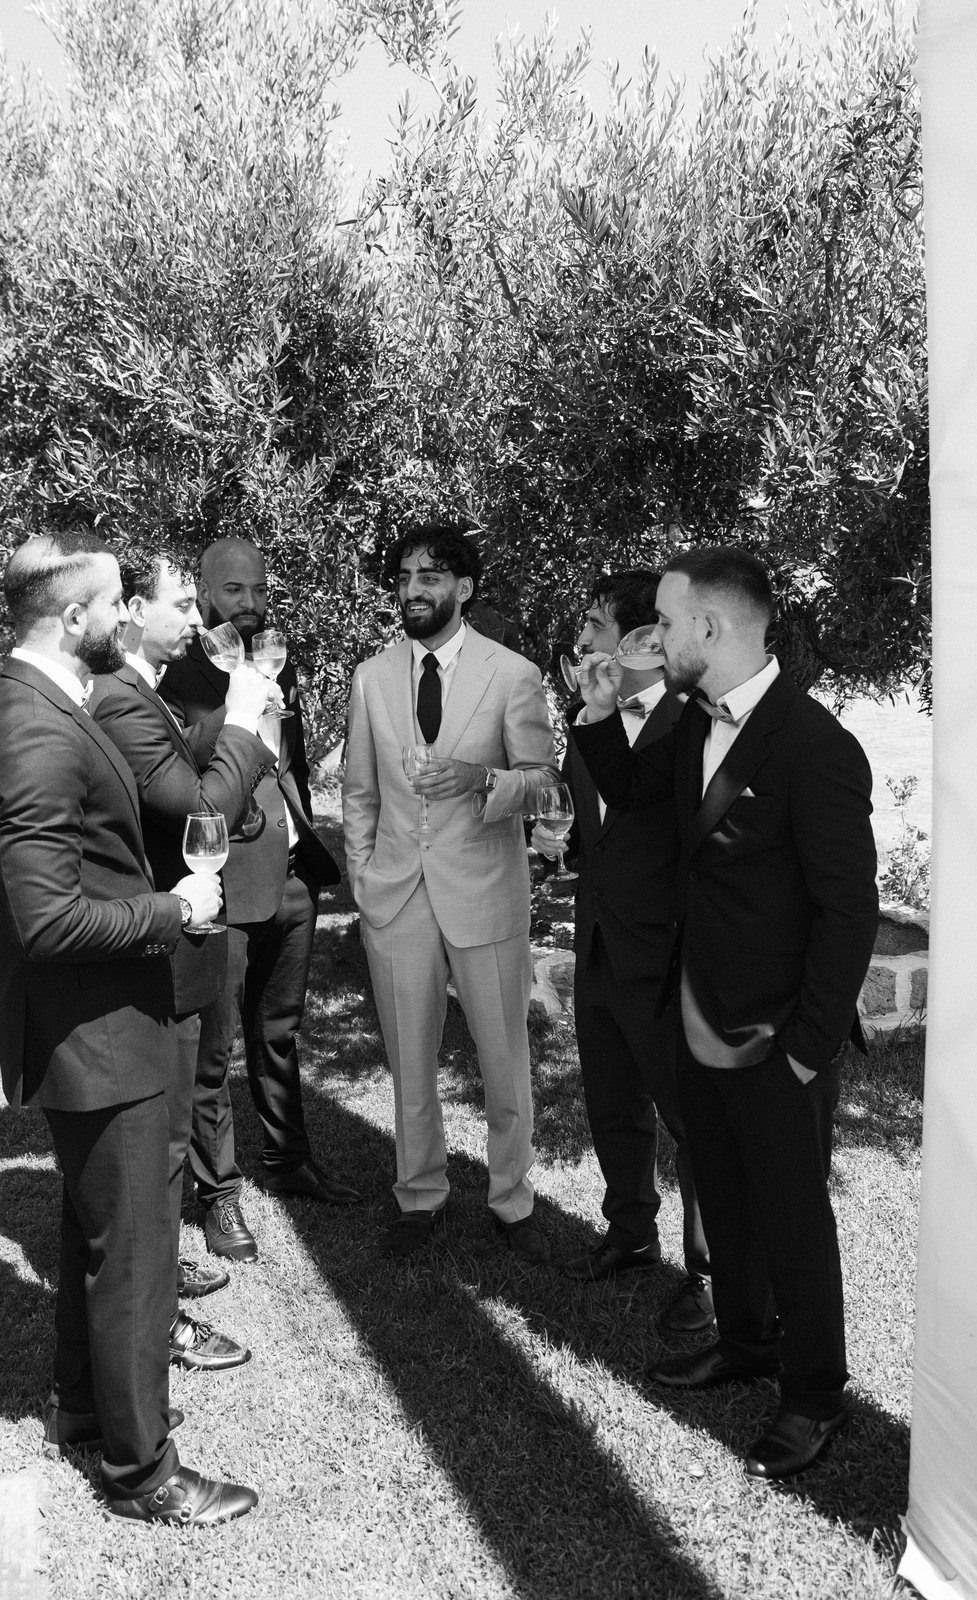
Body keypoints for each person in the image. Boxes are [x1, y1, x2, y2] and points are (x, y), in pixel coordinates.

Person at [0, 528, 256, 1526]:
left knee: (103, 1240)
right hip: (98, 1031)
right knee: (131, 1256)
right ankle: (144, 1471)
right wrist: (175, 912)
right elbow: (46, 921)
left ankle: (87, 1414)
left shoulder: (44, 702)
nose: (129, 614)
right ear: (73, 616)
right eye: (117, 600)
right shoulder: (33, 728)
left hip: (102, 1024)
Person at [573, 545, 878, 1479]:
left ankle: (814, 1394)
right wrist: (591, 709)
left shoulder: (814, 744)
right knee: (728, 1197)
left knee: (791, 1217)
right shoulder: (681, 720)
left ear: (708, 627)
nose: (650, 638)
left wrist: (805, 1047)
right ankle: (745, 1341)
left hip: (775, 1036)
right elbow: (632, 801)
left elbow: (847, 910)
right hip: (690, 1013)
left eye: (662, 622)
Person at [342, 523, 559, 1262]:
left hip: (485, 891)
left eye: (429, 576)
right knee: (408, 1057)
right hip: (395, 895)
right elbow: (359, 792)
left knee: (503, 1056)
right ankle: (419, 1194)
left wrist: (479, 782)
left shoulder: (512, 674)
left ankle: (510, 1198)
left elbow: (542, 782)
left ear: (463, 589)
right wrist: (364, 879)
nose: (411, 590)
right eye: (403, 576)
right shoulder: (370, 677)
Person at [88, 552, 278, 1373]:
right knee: (155, 1144)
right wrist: (242, 716)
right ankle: (157, 1319)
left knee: (174, 1126)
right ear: (133, 610)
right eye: (179, 602)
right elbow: (201, 804)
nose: (196, 619)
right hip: (155, 945)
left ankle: (164, 1271)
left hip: (187, 938)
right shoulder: (120, 698)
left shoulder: (148, 691)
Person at [159, 537, 356, 1256]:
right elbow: (182, 786)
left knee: (278, 1031)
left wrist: (303, 843)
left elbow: (290, 763)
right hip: (222, 881)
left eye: (259, 591)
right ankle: (219, 1195)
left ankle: (288, 1158)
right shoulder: (173, 680)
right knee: (214, 1048)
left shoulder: (278, 660)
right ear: (207, 594)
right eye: (235, 591)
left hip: (293, 877)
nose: (250, 604)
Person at [532, 570, 712, 1334]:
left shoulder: (691, 724)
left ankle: (708, 1274)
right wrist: (556, 841)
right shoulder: (585, 718)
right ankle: (630, 1231)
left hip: (669, 956)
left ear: (643, 638)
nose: (581, 644)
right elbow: (591, 823)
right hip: (599, 943)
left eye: (595, 628)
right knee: (612, 1106)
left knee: (692, 1122)